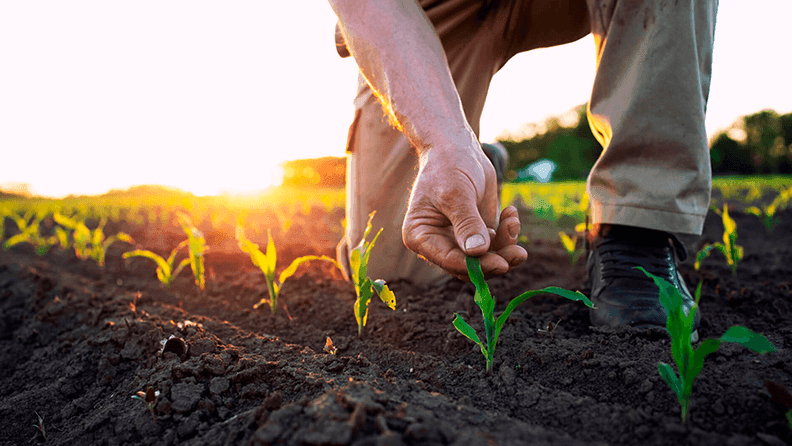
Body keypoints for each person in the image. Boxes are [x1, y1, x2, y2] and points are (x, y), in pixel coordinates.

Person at [328, 0, 717, 338]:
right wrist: (441, 142)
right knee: (391, 271)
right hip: (430, 7)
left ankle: (636, 228)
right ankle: (472, 161)